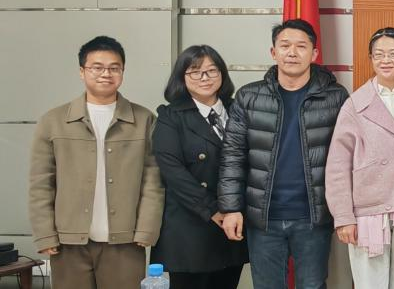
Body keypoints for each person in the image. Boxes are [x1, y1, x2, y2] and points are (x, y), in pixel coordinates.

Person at [218, 19, 350, 289]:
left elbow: (348, 158)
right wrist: (231, 208)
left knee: (313, 285)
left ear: (314, 53)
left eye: (301, 46)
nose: (292, 52)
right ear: (273, 52)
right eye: (285, 45)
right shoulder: (249, 97)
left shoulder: (335, 97)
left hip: (314, 216)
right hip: (263, 216)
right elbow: (233, 155)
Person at [28, 36, 163, 288]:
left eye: (114, 68)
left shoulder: (144, 119)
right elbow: (41, 183)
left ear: (123, 71)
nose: (106, 74)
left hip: (126, 240)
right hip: (68, 242)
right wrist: (45, 234)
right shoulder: (53, 121)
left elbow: (153, 180)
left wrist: (147, 229)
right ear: (82, 71)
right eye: (97, 67)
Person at [326, 27, 394, 288]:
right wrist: (343, 216)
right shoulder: (355, 103)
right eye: (378, 54)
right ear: (370, 58)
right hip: (367, 212)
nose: (385, 60)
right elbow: (337, 166)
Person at [151, 45, 249, 289]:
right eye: (195, 72)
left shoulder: (238, 110)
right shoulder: (171, 116)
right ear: (182, 77)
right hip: (191, 227)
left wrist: (232, 210)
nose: (204, 78)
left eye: (211, 71)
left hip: (232, 223)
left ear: (222, 74)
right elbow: (173, 172)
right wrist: (214, 210)